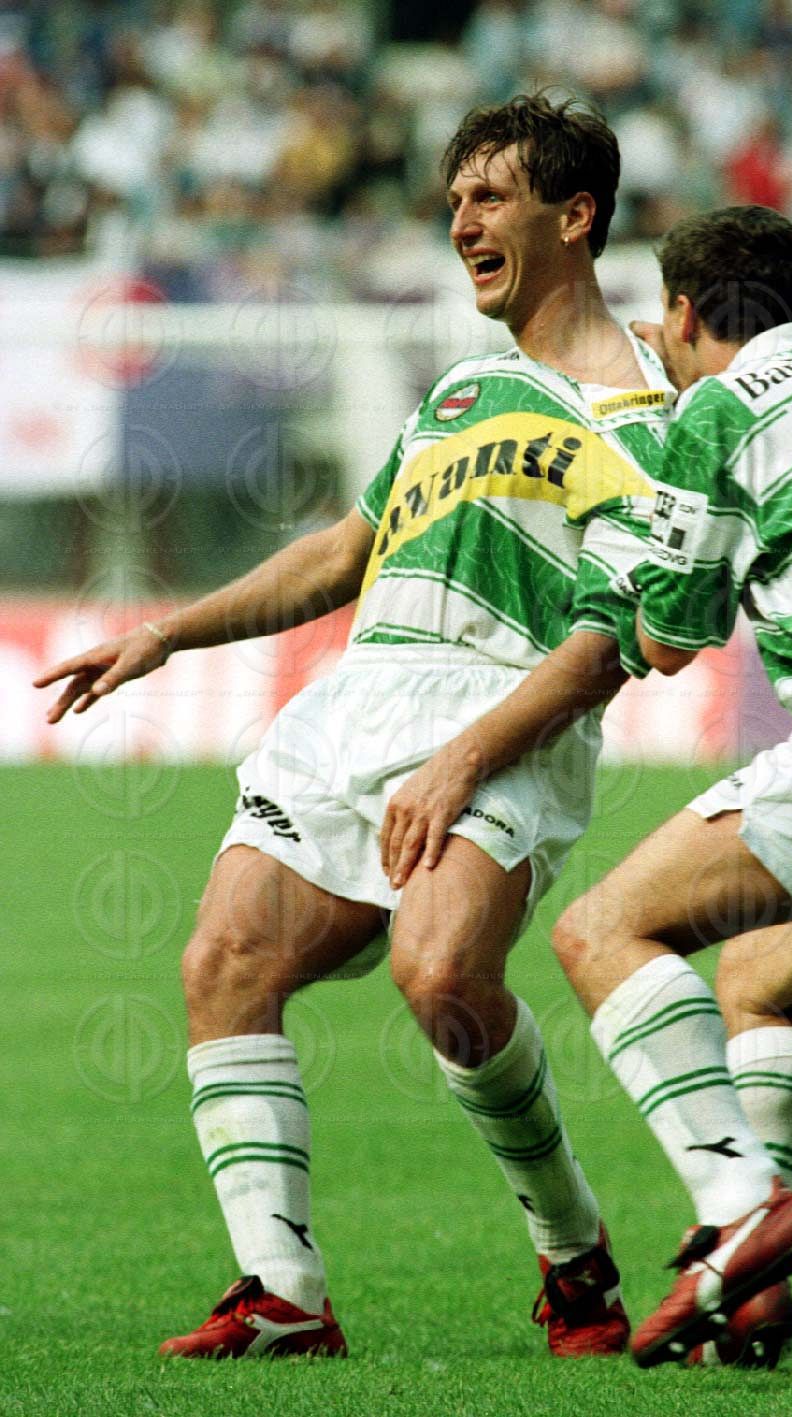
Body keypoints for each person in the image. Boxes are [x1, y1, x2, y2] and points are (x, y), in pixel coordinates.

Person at [34, 95, 676, 1359]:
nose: (463, 223)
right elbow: (344, 552)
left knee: (441, 977)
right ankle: (282, 1290)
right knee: (225, 963)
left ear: (575, 216)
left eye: (490, 198)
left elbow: (614, 641)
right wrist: (168, 631)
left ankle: (573, 1252)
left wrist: (462, 758)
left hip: (500, 713)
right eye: (455, 203)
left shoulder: (649, 409)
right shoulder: (462, 390)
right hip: (355, 706)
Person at [385, 205, 792, 1369]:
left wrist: (633, 539)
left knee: (602, 930)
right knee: (759, 979)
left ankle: (739, 1214)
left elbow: (671, 638)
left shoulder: (719, 406)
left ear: (682, 314)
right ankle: (754, 1287)